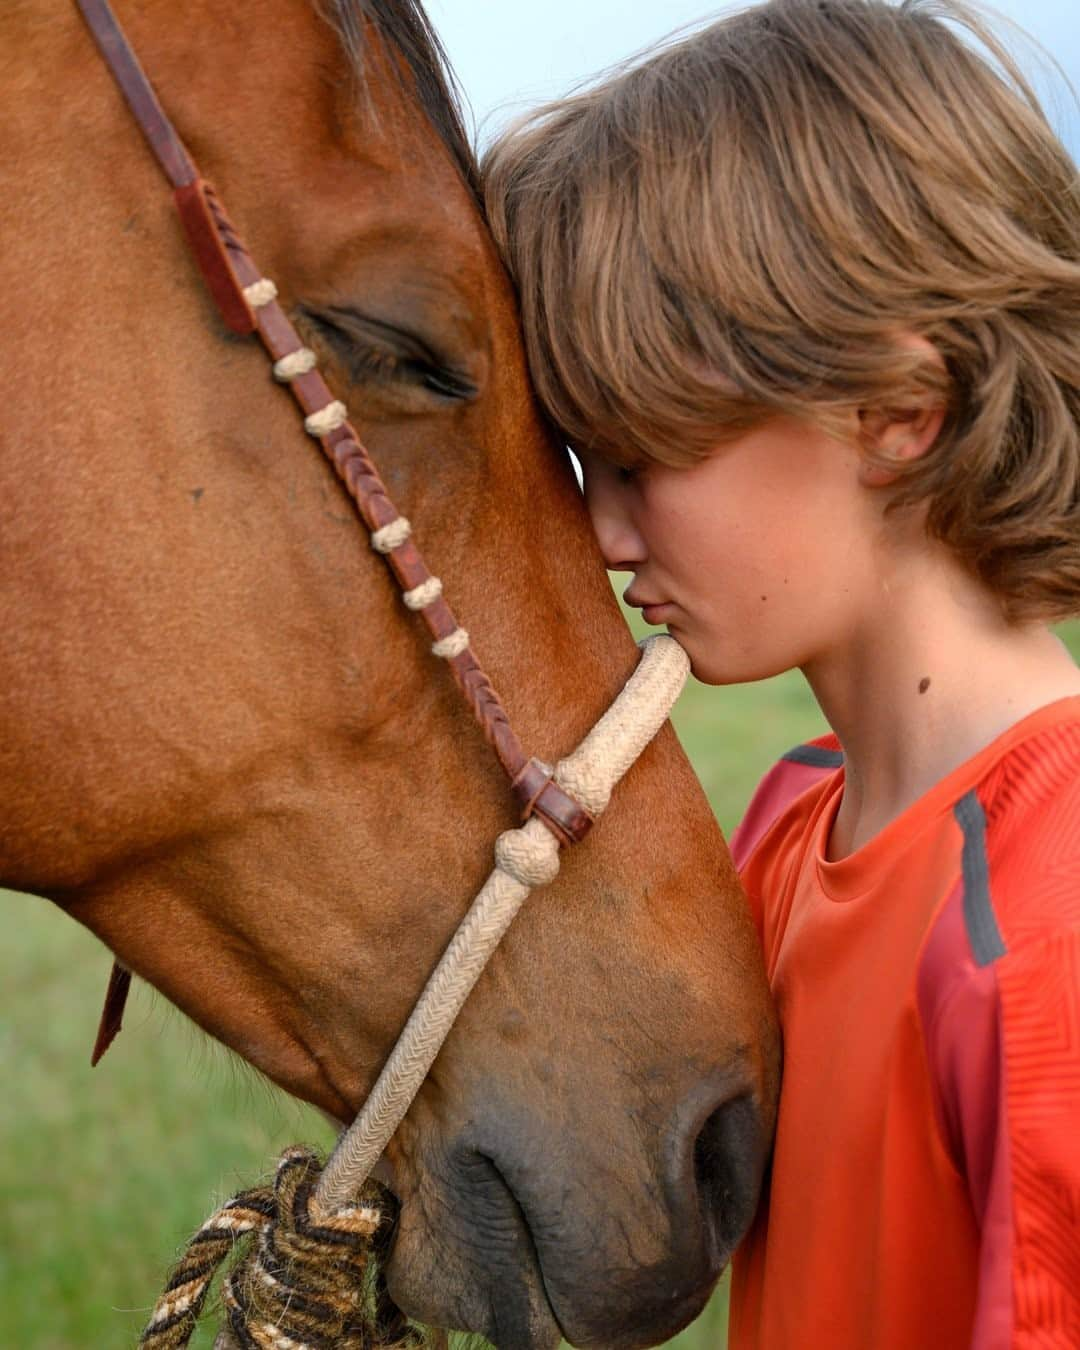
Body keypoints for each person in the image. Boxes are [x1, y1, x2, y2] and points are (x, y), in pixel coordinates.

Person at [482, 1, 1080, 1346]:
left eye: (639, 456)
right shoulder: (791, 834)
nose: (604, 531)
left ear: (893, 410)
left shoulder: (1045, 925)